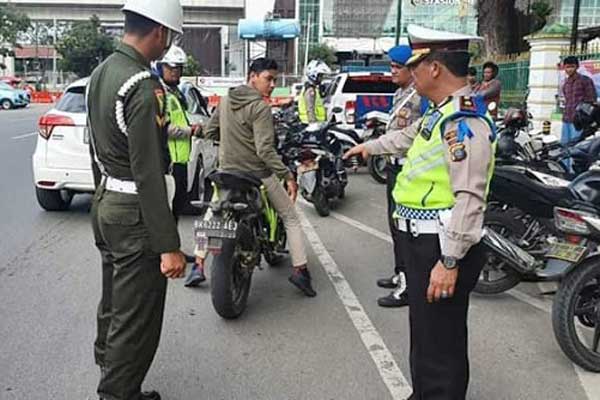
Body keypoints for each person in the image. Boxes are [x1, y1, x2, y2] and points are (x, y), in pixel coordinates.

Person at [345, 25, 496, 400]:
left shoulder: (464, 123)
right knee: (426, 333)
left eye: (417, 65)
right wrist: (367, 148)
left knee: (441, 339)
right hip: (422, 241)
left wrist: (449, 260)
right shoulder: (439, 115)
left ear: (435, 69)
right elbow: (406, 137)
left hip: (442, 245)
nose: (410, 73)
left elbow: (470, 198)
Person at [87, 1, 186, 399]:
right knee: (136, 316)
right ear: (160, 33)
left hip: (107, 203)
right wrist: (168, 247)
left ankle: (114, 373)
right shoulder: (142, 85)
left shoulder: (101, 73)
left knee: (114, 302)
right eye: (170, 38)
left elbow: (93, 145)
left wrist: (102, 194)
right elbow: (148, 173)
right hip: (134, 216)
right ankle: (117, 392)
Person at [197, 58, 317, 297]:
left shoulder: (225, 100)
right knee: (290, 216)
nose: (272, 84)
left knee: (213, 211)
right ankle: (300, 271)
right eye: (268, 78)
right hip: (257, 174)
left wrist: (231, 142)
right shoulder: (260, 107)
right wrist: (287, 175)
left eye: (274, 79)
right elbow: (264, 151)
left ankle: (198, 263)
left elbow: (210, 131)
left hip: (227, 172)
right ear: (253, 76)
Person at [376, 44, 425, 308]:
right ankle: (400, 273)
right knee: (395, 227)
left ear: (411, 69)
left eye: (397, 67)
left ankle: (408, 285)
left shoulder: (420, 97)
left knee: (404, 229)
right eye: (391, 66)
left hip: (409, 169)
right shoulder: (400, 94)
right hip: (393, 166)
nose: (392, 71)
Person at [155, 45, 207, 287]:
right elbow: (164, 128)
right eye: (170, 67)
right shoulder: (160, 94)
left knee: (177, 208)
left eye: (178, 68)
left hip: (181, 158)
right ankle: (163, 252)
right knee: (167, 209)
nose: (175, 72)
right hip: (170, 160)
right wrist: (191, 130)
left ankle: (172, 248)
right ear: (160, 66)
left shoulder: (174, 92)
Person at [561, 56, 598, 146]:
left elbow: (591, 100)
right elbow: (566, 99)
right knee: (564, 146)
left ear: (577, 67)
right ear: (564, 68)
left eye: (572, 66)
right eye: (567, 67)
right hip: (566, 118)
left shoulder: (585, 81)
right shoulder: (565, 83)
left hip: (579, 121)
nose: (569, 69)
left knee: (577, 146)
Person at [298, 59, 331, 126]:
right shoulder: (310, 90)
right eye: (320, 76)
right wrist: (313, 125)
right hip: (310, 123)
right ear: (314, 75)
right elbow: (310, 109)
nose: (321, 78)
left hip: (314, 123)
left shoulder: (312, 88)